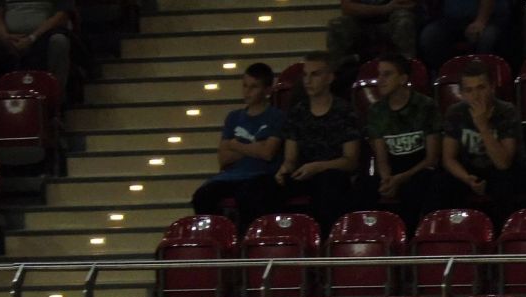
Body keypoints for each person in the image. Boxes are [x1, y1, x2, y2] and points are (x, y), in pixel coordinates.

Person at [239, 52, 360, 236]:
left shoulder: (344, 111)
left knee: (329, 186)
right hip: (302, 173)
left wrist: (318, 166)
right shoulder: (297, 112)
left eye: (315, 74)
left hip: (332, 174)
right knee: (257, 188)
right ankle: (264, 239)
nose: (308, 81)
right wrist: (284, 169)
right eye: (305, 75)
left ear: (329, 78)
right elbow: (291, 158)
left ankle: (322, 241)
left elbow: (350, 161)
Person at [189, 63, 284, 230]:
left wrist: (236, 144)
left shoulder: (276, 116)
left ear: (267, 90)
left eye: (254, 87)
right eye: (245, 86)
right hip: (231, 176)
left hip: (260, 175)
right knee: (202, 196)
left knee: (249, 196)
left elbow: (268, 153)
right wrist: (255, 147)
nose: (247, 92)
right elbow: (224, 158)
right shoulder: (233, 117)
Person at [437, 59, 524, 227]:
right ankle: (449, 233)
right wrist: (467, 178)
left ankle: (503, 235)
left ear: (492, 87)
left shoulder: (506, 111)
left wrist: (482, 125)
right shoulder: (456, 112)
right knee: (442, 183)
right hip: (469, 170)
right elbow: (449, 158)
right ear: (462, 93)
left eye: (481, 88)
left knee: (505, 184)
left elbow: (503, 163)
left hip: (500, 170)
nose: (476, 95)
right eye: (469, 90)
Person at [364, 53, 442, 234]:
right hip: (393, 167)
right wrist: (387, 179)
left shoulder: (426, 106)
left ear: (403, 79)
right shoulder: (376, 111)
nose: (380, 80)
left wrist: (400, 179)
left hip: (419, 167)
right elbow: (381, 158)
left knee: (419, 186)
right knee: (365, 186)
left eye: (387, 74)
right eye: (379, 74)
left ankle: (413, 237)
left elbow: (431, 158)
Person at [0, 0, 72, 94]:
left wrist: (32, 38)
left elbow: (61, 16)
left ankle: (56, 97)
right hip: (9, 39)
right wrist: (5, 37)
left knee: (59, 41)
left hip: (43, 37)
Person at [419, 0, 510, 71]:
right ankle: (446, 77)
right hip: (452, 19)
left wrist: (481, 21)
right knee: (430, 35)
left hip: (488, 18)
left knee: (487, 37)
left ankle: (482, 78)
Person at [326, 0, 418, 70]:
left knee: (404, 20)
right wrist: (385, 9)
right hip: (362, 23)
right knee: (338, 24)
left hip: (393, 21)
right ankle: (339, 74)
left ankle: (408, 67)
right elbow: (347, 7)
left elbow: (408, 4)